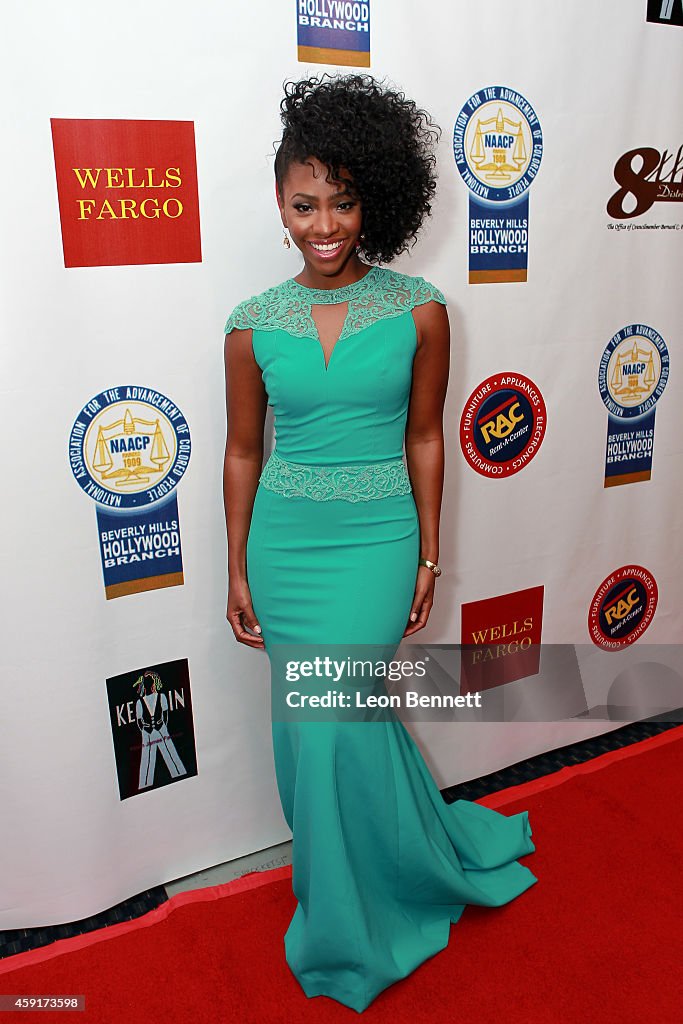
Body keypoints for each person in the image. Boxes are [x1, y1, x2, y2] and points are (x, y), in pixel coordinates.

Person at [223, 73, 537, 1013]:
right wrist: (237, 565)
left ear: (377, 203)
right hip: (284, 547)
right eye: (304, 202)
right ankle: (360, 884)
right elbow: (244, 450)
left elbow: (426, 437)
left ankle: (358, 909)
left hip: (374, 540)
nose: (324, 224)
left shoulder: (420, 309)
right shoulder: (248, 326)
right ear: (279, 204)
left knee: (330, 723)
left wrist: (430, 555)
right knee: (318, 732)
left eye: (344, 201)